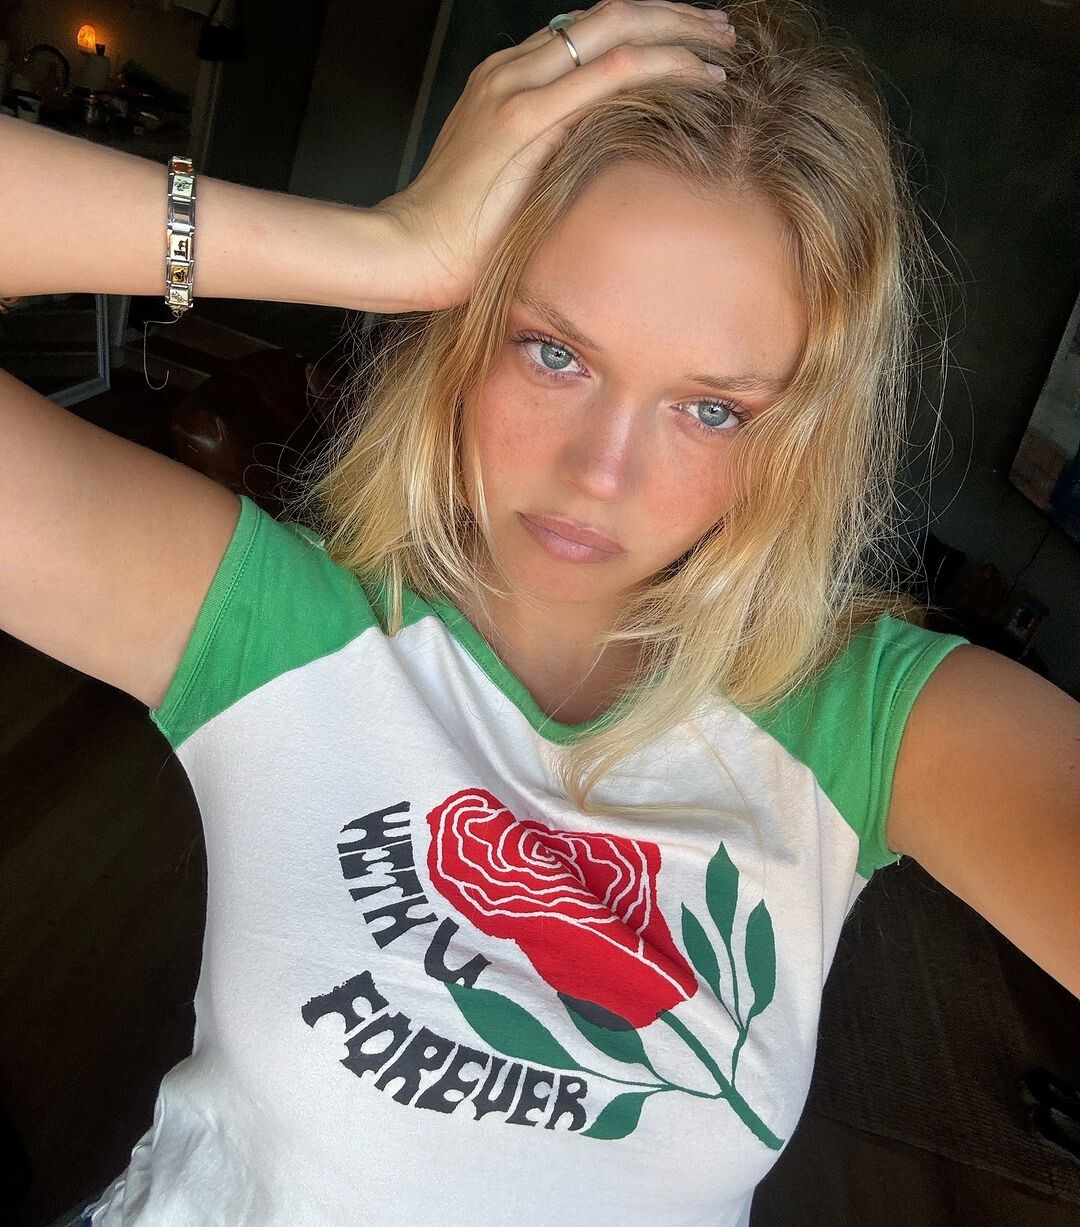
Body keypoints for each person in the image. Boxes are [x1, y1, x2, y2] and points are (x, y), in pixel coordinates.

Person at [2, 2, 1078, 1225]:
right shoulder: (272, 625)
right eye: (554, 351)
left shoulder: (876, 721)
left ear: (799, 442)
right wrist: (381, 247)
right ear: (465, 327)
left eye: (713, 409)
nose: (600, 474)